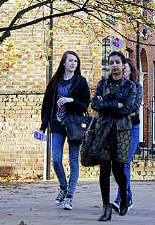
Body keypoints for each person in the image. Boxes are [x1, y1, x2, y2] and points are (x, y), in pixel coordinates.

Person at [40, 51, 90, 210]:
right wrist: (43, 125)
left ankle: (69, 197)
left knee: (73, 161)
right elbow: (47, 104)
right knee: (56, 159)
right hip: (57, 125)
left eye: (76, 61)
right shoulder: (55, 82)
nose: (73, 63)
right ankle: (63, 186)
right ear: (63, 63)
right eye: (70, 60)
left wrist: (71, 100)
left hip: (74, 126)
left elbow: (85, 105)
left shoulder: (81, 82)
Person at [91, 51, 137, 222]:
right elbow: (95, 103)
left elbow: (127, 109)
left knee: (118, 170)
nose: (114, 65)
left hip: (122, 131)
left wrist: (106, 105)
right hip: (104, 130)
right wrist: (114, 104)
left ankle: (124, 197)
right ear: (109, 65)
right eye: (111, 62)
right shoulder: (102, 84)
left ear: (123, 64)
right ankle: (106, 208)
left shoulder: (130, 86)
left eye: (117, 62)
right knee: (104, 170)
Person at [110, 57, 143, 213]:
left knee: (124, 163)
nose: (122, 72)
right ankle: (128, 197)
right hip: (117, 129)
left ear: (131, 71)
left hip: (132, 128)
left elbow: (134, 106)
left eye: (125, 69)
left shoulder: (137, 87)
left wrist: (118, 107)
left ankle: (120, 198)